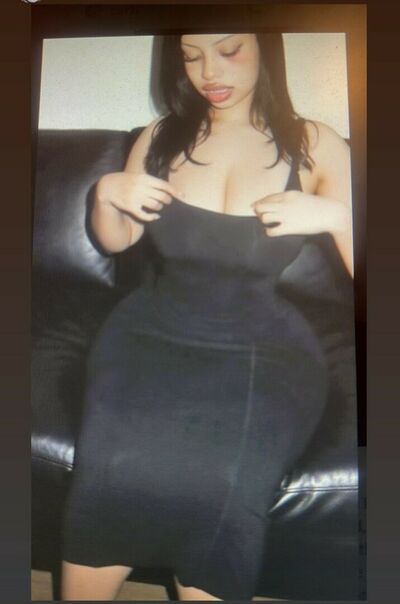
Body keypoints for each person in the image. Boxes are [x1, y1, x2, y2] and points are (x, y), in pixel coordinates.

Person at [60, 33, 353, 601]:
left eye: (229, 50)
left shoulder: (314, 142)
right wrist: (105, 195)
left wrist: (339, 218)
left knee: (225, 483)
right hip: (149, 330)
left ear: (266, 47)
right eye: (191, 57)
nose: (208, 72)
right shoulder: (161, 136)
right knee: (108, 470)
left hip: (264, 347)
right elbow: (117, 241)